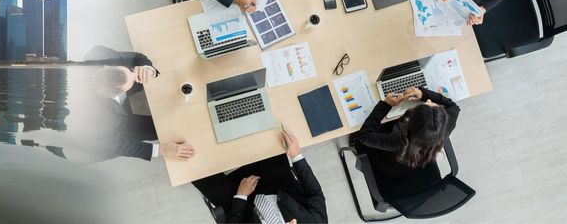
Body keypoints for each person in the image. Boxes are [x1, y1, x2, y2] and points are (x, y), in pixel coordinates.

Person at [192, 131, 327, 223]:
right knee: (268, 134)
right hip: (278, 185)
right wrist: (297, 156)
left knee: (193, 171)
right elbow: (315, 194)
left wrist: (241, 196)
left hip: (243, 206)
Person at [89, 65, 195, 161]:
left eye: (130, 71)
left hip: (113, 108)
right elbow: (119, 146)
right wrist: (163, 150)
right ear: (120, 93)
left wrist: (149, 70)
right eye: (132, 77)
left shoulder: (98, 57)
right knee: (159, 130)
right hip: (113, 134)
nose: (135, 73)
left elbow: (137, 58)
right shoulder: (98, 123)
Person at [351, 87, 460, 177]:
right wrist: (423, 94)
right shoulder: (447, 124)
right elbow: (454, 107)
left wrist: (385, 105)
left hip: (390, 168)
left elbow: (364, 136)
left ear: (411, 120)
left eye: (426, 104)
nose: (428, 100)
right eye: (433, 104)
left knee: (360, 135)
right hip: (420, 162)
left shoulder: (398, 141)